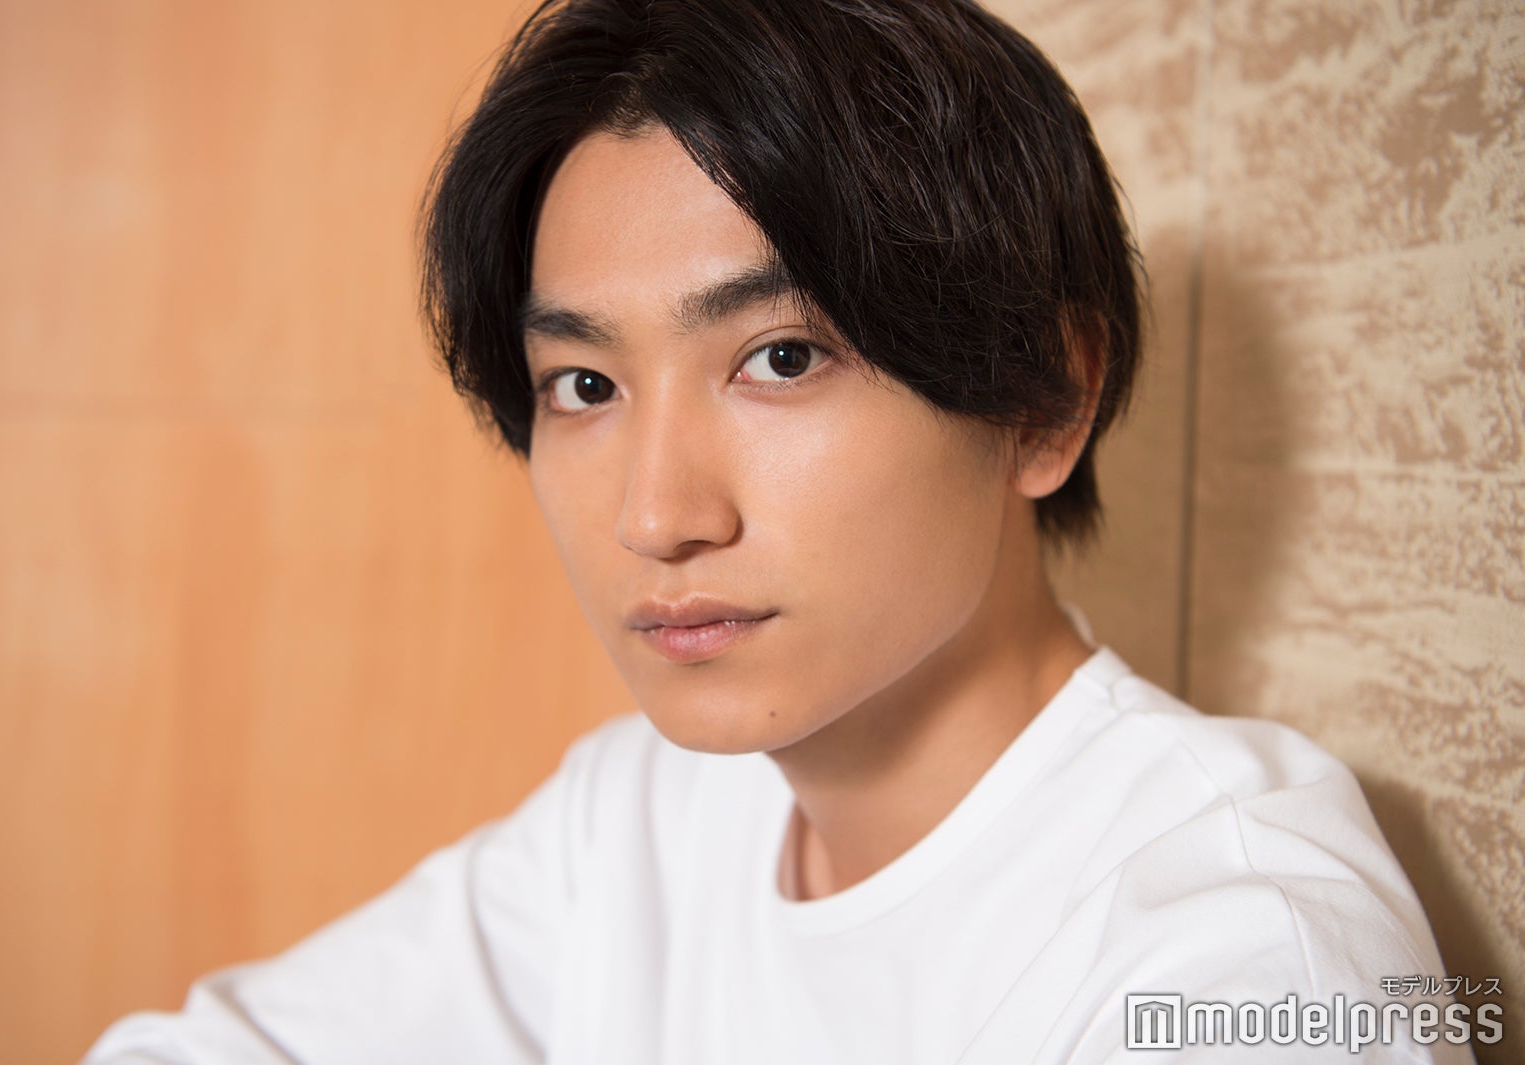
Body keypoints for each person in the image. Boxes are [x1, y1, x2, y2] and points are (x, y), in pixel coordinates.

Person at [83, 1, 1476, 1061]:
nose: (655, 516)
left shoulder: (1245, 954)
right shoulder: (642, 819)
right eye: (585, 385)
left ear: (1045, 401)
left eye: (782, 358)